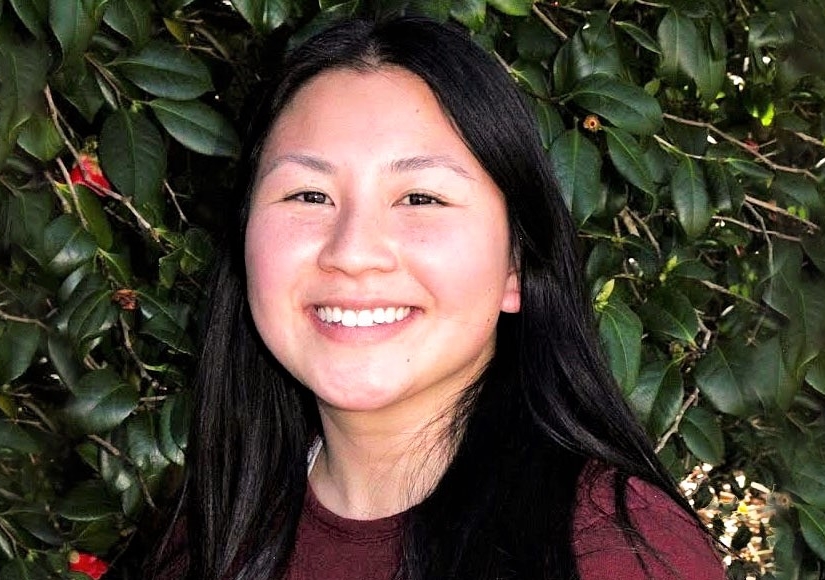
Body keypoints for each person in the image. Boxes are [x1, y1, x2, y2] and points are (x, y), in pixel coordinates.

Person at [148, 16, 726, 580]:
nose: (353, 252)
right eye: (308, 194)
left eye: (421, 198)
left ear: (516, 268)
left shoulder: (617, 556)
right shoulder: (205, 534)